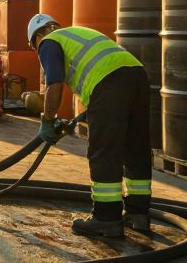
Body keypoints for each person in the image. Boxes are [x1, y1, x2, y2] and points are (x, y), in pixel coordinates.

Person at [28, 12, 152, 238]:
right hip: (137, 75)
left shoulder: (48, 42)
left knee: (104, 151)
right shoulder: (79, 33)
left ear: (36, 38)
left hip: (108, 82)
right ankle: (138, 214)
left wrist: (47, 120)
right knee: (136, 149)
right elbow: (104, 69)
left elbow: (54, 85)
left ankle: (106, 218)